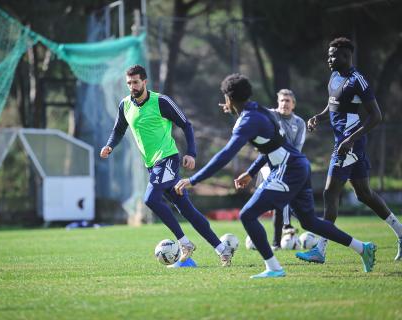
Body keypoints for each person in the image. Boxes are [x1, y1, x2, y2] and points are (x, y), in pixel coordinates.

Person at [174, 73, 376, 278]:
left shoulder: (248, 121)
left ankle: (274, 268)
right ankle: (362, 248)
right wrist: (251, 172)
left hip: (288, 170)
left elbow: (226, 154)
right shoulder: (259, 111)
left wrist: (193, 179)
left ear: (229, 98)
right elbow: (271, 147)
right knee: (309, 222)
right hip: (298, 165)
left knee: (248, 215)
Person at [100, 65, 232, 266]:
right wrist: (110, 145)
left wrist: (191, 153)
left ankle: (184, 243)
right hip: (152, 165)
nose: (132, 86)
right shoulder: (125, 105)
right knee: (186, 209)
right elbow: (118, 129)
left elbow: (186, 124)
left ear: (145, 82)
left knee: (150, 199)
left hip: (168, 159)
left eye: (135, 82)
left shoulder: (160, 101)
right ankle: (222, 249)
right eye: (129, 83)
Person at [297, 37, 402, 263]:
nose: (329, 59)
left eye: (333, 55)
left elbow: (376, 116)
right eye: (328, 55)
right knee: (363, 194)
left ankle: (320, 250)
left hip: (349, 143)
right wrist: (319, 117)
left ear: (346, 56)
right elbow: (333, 105)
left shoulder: (358, 81)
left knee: (329, 192)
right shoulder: (334, 76)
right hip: (344, 142)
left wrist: (351, 140)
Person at [269, 89, 306, 249]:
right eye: (282, 100)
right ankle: (283, 229)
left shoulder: (299, 123)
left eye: (287, 101)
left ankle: (277, 241)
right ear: (278, 102)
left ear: (293, 105)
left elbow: (298, 149)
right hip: (267, 165)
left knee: (282, 201)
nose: (284, 103)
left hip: (289, 166)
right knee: (276, 201)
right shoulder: (270, 115)